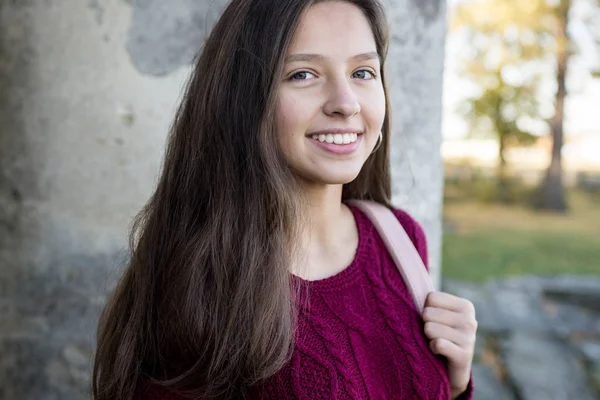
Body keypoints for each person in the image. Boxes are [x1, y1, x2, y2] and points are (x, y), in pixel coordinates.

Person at [92, 0, 477, 399]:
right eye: (303, 74)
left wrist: (454, 381)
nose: (346, 103)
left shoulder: (401, 240)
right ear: (243, 98)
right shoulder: (201, 280)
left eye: (363, 72)